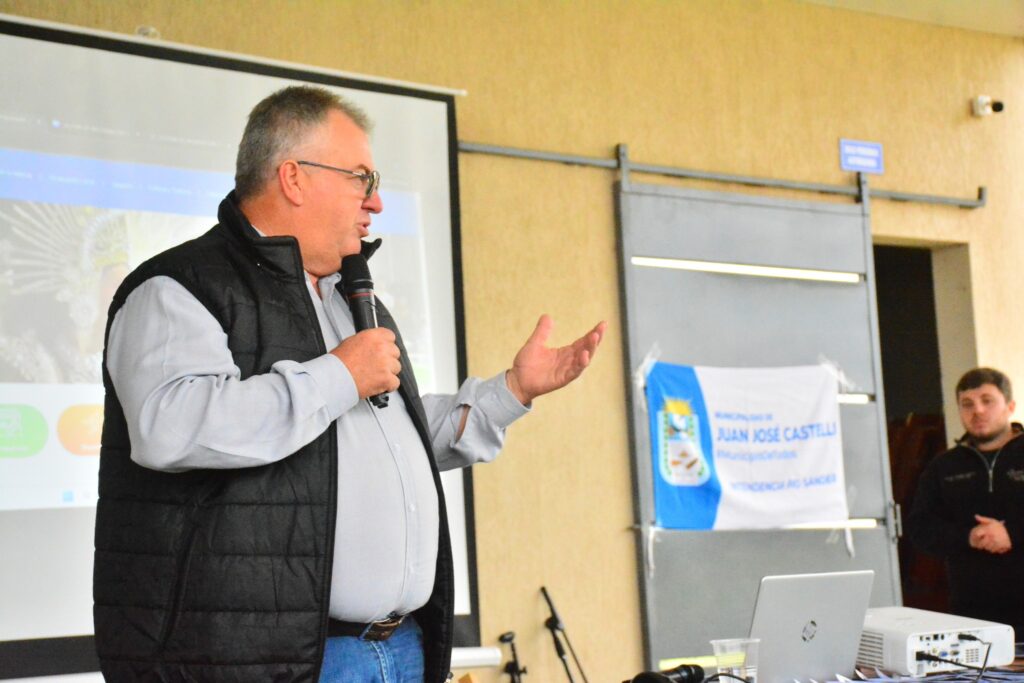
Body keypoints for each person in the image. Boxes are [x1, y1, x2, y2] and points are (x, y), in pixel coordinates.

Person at [92, 85, 606, 683]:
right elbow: (169, 426)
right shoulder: (178, 287)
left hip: (401, 648)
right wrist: (339, 374)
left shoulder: (346, 297)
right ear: (294, 178)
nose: (377, 202)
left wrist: (512, 391)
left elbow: (386, 436)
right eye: (362, 178)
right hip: (280, 662)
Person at [907, 367, 1024, 636]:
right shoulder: (943, 467)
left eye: (987, 401)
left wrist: (1011, 533)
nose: (977, 411)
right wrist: (968, 536)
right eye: (967, 404)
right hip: (972, 615)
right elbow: (920, 527)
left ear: (1010, 406)